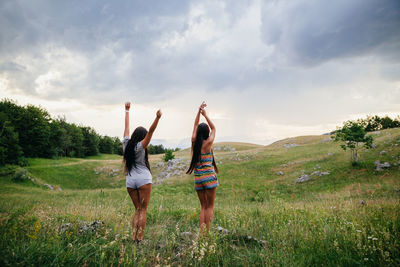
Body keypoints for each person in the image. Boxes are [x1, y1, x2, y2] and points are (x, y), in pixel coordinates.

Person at [122, 101, 162, 243]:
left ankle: (133, 237)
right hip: (144, 180)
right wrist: (157, 118)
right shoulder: (141, 146)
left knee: (137, 209)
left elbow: (126, 128)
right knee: (143, 210)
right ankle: (140, 238)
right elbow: (151, 132)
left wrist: (127, 111)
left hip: (130, 181)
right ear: (142, 137)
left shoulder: (126, 145)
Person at [187, 101, 219, 236]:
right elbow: (214, 129)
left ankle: (202, 234)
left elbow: (195, 125)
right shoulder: (208, 143)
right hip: (210, 178)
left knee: (203, 207)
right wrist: (205, 115)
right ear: (206, 133)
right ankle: (208, 235)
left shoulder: (194, 142)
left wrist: (198, 112)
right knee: (210, 207)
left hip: (198, 179)